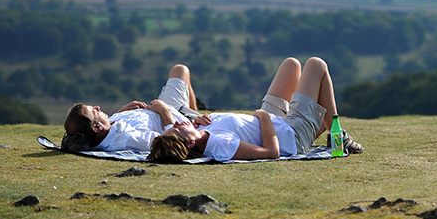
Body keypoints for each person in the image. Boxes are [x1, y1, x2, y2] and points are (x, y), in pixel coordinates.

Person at [148, 57, 363, 162]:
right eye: (177, 130)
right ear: (191, 142)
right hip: (291, 135)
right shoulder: (220, 145)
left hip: (276, 122)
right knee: (316, 65)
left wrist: (200, 122)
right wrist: (262, 117)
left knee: (291, 65)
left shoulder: (203, 135)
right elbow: (272, 152)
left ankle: (318, 121)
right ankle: (337, 135)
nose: (175, 124)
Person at [61, 64, 211, 152]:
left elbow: (110, 127)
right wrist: (164, 112)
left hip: (162, 109)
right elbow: (168, 140)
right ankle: (193, 117)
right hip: (175, 117)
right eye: (95, 111)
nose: (98, 107)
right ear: (96, 127)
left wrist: (123, 112)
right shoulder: (127, 140)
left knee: (180, 70)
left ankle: (193, 112)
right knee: (181, 71)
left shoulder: (103, 131)